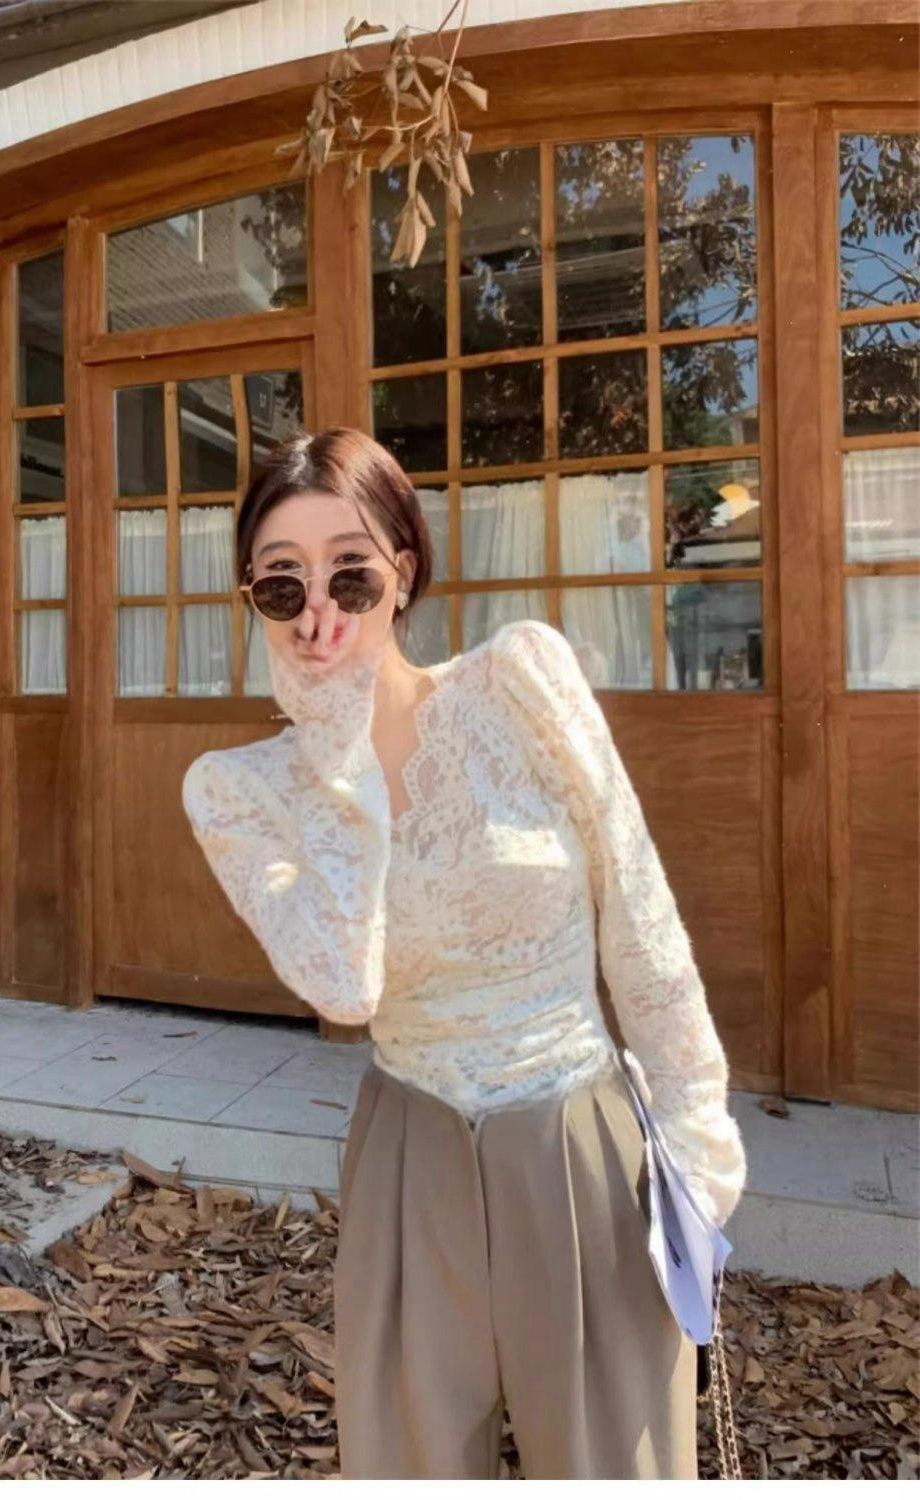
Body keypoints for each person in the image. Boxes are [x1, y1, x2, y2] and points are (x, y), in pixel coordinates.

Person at [181, 426, 748, 1480]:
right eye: (281, 584)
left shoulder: (519, 682)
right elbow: (344, 988)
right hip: (410, 1157)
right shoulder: (239, 791)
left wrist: (697, 1153)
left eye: (350, 574)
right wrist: (336, 753)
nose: (317, 613)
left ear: (401, 572)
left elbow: (639, 915)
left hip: (578, 1146)